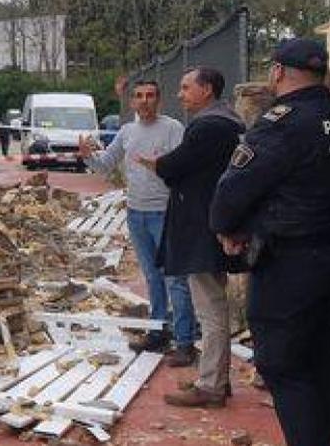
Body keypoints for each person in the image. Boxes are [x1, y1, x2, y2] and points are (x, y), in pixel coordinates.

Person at [211, 39, 330, 446]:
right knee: (318, 362)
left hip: (292, 264)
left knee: (284, 367)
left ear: (278, 71)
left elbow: (235, 189)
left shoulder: (284, 122)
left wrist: (228, 228)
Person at [135, 67, 244, 407]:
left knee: (210, 308)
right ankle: (217, 379)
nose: (179, 94)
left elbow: (174, 166)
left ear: (207, 90)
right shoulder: (228, 122)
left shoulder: (209, 126)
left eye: (185, 87)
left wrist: (156, 164)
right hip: (213, 223)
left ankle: (211, 385)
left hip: (202, 227)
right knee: (212, 304)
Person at [78, 81, 197, 364]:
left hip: (165, 213)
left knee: (175, 279)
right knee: (152, 277)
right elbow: (105, 165)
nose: (144, 101)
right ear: (132, 102)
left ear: (159, 100)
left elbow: (182, 169)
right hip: (135, 213)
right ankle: (158, 332)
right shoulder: (127, 131)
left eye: (150, 96)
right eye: (139, 96)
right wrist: (87, 157)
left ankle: (184, 342)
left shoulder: (173, 129)